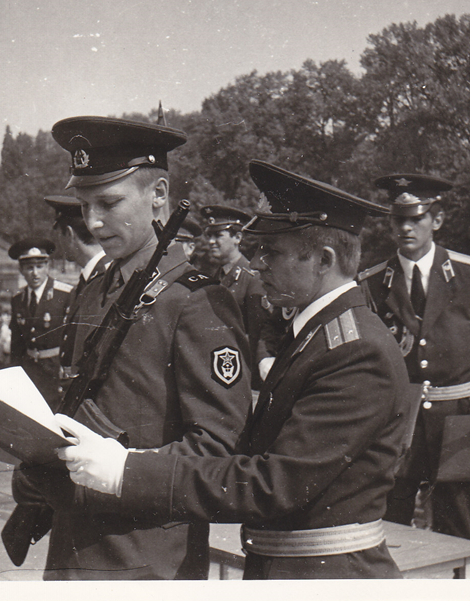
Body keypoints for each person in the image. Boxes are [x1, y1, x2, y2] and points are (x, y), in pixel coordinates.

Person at [56, 159, 413, 579]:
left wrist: (127, 472)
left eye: (271, 251)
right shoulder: (317, 335)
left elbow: (273, 483)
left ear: (324, 259)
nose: (257, 263)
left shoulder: (356, 351)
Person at [9, 115, 253, 580]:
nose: (93, 222)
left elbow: (219, 449)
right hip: (73, 549)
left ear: (159, 195)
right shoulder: (98, 285)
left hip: (146, 559)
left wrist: (121, 470)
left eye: (109, 202)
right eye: (84, 206)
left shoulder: (197, 302)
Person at [358, 173, 470, 578]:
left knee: (465, 533)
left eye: (417, 218)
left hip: (459, 419)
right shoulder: (374, 281)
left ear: (437, 220)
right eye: (398, 220)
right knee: (388, 529)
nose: (406, 228)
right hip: (398, 425)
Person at [201, 204, 278, 385]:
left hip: (241, 376)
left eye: (218, 235)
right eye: (209, 235)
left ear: (237, 237)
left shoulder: (253, 279)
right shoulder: (214, 275)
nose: (211, 241)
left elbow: (259, 336)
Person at [43, 194, 108, 378]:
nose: (58, 244)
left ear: (70, 235)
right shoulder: (91, 277)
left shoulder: (105, 279)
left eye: (59, 235)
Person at [8, 238, 73, 408]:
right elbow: (17, 344)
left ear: (48, 266)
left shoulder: (64, 295)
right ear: (21, 270)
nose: (35, 273)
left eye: (40, 266)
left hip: (55, 372)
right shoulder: (18, 300)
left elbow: (72, 338)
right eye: (29, 268)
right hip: (29, 373)